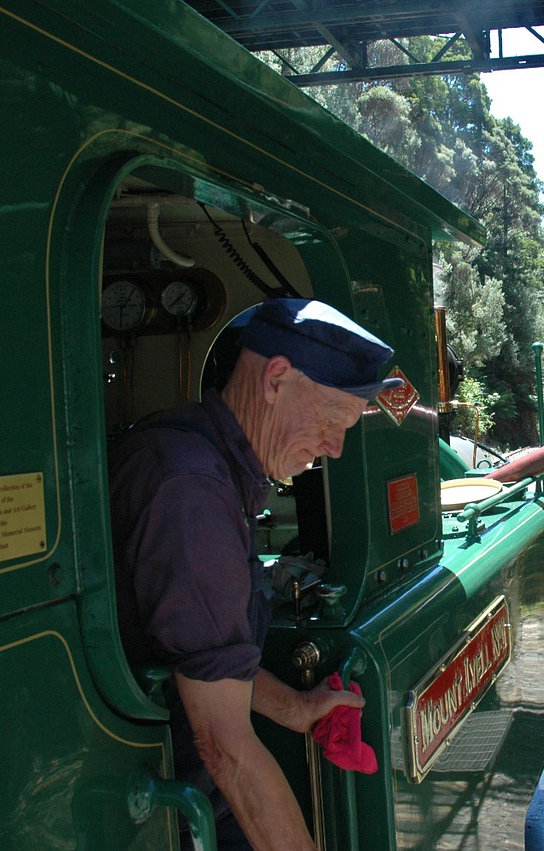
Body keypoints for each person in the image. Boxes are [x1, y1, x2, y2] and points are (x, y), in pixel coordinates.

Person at [109, 298, 403, 851]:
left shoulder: (203, 458)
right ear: (276, 379)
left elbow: (206, 658)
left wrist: (296, 710)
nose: (335, 448)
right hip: (178, 808)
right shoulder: (192, 492)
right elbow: (223, 746)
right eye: (331, 421)